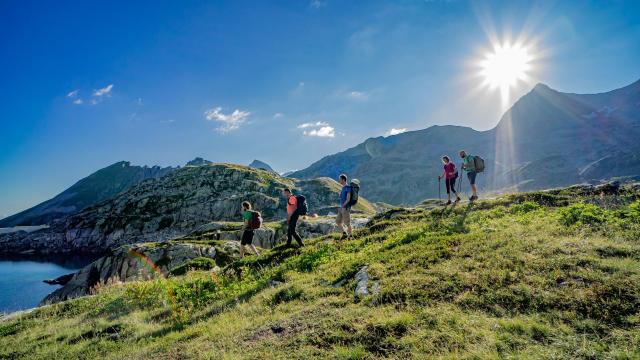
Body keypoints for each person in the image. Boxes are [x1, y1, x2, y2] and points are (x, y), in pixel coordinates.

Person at [337, 174, 352, 239]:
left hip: (345, 208)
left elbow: (348, 199)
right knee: (338, 221)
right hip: (342, 207)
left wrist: (343, 207)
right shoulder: (343, 188)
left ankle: (350, 236)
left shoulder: (348, 188)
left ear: (343, 180)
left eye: (340, 179)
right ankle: (344, 234)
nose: (339, 181)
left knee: (347, 223)